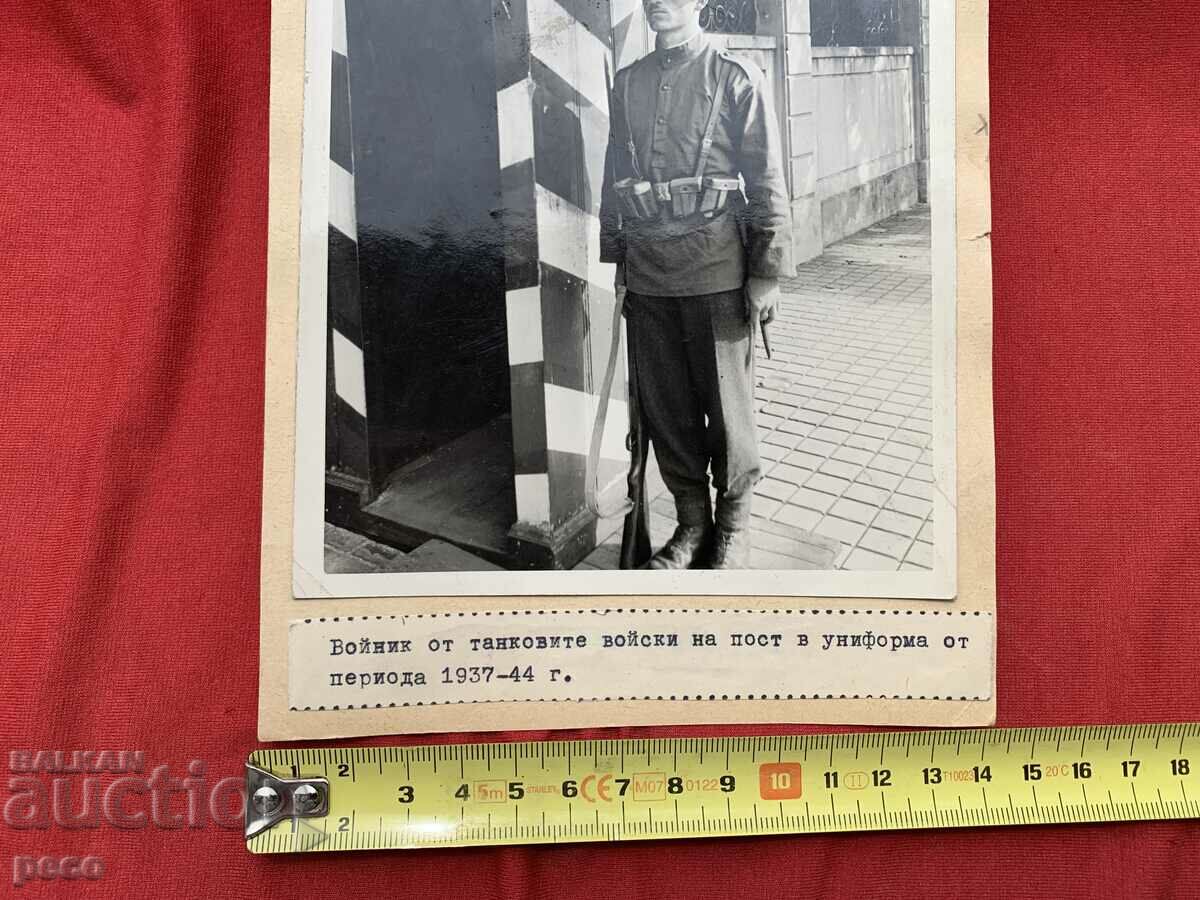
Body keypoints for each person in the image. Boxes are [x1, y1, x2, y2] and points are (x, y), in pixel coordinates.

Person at [600, 0, 793, 569]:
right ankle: (691, 526)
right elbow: (614, 177)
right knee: (667, 412)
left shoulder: (736, 77)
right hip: (649, 274)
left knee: (728, 412)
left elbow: (767, 178)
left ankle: (732, 529)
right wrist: (617, 261)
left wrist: (766, 272)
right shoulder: (627, 83)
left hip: (716, 268)